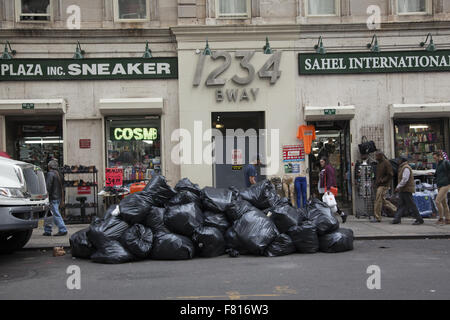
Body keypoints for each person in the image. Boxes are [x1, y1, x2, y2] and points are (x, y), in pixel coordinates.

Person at [392, 157, 424, 225]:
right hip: (403, 189)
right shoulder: (402, 167)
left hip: (406, 189)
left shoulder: (406, 168)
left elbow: (405, 179)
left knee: (411, 205)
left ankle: (419, 219)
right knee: (401, 205)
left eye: (399, 160)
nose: (398, 161)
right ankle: (397, 219)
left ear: (402, 161)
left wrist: (398, 186)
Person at [318, 157, 347, 223]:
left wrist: (328, 188)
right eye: (320, 162)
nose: (321, 163)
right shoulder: (326, 168)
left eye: (322, 162)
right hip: (326, 188)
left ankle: (338, 216)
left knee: (330, 203)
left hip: (328, 188)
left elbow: (330, 178)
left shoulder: (328, 168)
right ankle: (342, 215)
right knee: (330, 203)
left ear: (325, 161)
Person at [43, 160, 68, 236]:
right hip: (58, 196)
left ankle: (62, 229)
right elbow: (63, 186)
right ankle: (47, 230)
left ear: (49, 166)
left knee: (54, 214)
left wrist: (45, 196)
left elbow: (48, 186)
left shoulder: (50, 174)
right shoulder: (59, 174)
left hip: (52, 197)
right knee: (48, 214)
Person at [373, 151, 397, 222]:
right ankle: (396, 210)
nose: (375, 157)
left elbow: (390, 174)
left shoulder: (386, 163)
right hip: (380, 184)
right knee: (383, 200)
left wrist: (383, 180)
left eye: (377, 156)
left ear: (381, 156)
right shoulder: (379, 163)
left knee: (378, 200)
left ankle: (377, 217)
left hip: (383, 185)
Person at [433, 151, 450, 225]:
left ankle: (440, 218)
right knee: (444, 203)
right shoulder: (438, 164)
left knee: (437, 201)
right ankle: (448, 219)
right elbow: (438, 174)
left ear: (439, 156)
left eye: (435, 157)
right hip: (440, 184)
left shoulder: (446, 162)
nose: (434, 159)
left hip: (445, 184)